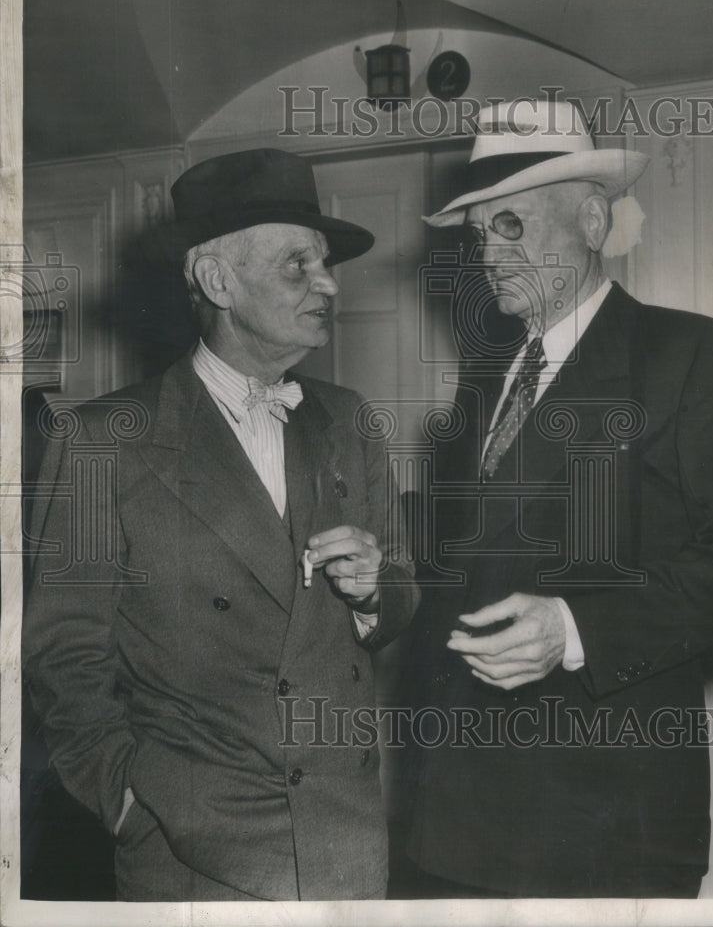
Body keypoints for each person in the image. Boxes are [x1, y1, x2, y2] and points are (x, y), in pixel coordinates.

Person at [401, 99, 713, 899]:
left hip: (611, 823)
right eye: (478, 237)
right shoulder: (480, 388)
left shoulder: (691, 352)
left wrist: (574, 627)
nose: (490, 256)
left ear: (594, 220)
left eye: (512, 226)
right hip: (462, 824)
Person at [23, 149, 420, 902]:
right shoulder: (106, 438)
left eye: (326, 263)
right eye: (298, 265)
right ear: (218, 281)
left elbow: (400, 596)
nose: (329, 283)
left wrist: (375, 591)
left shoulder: (349, 421)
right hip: (190, 850)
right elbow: (63, 654)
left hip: (344, 838)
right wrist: (130, 799)